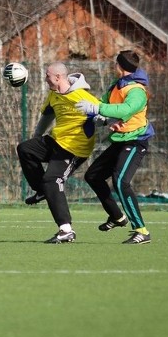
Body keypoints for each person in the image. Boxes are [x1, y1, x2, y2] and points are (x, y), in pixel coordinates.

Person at [75, 50, 155, 244]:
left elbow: (127, 109)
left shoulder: (136, 90)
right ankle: (117, 216)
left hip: (136, 141)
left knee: (120, 181)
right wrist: (101, 117)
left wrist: (97, 109)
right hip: (120, 140)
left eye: (115, 64)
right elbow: (105, 105)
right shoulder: (116, 86)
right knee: (93, 175)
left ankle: (141, 231)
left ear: (119, 66)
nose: (113, 67)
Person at [17, 62, 100, 244]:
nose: (45, 79)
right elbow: (47, 115)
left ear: (57, 77)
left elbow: (103, 112)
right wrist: (37, 135)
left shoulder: (81, 96)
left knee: (53, 180)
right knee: (25, 148)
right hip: (56, 141)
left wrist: (103, 119)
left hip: (74, 148)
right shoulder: (54, 95)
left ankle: (66, 230)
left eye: (47, 75)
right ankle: (41, 190)